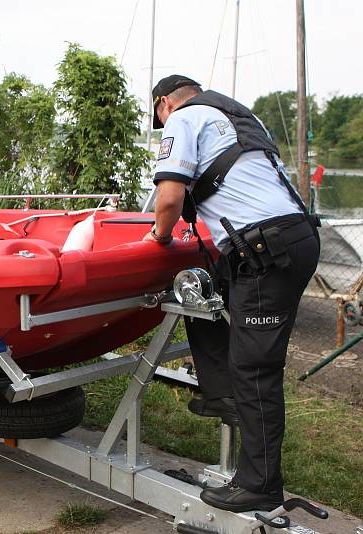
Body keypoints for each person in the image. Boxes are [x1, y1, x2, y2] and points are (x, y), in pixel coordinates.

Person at [143, 75, 320, 512]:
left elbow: (168, 199)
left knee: (256, 369)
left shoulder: (182, 119)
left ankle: (259, 485)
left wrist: (158, 240)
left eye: (159, 115)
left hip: (267, 251)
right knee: (203, 294)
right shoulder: (236, 115)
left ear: (165, 104)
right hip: (292, 237)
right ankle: (222, 391)